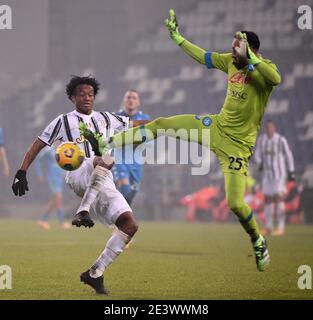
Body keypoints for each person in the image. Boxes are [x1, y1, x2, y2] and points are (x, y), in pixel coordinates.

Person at [81, 9, 282, 272]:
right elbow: (203, 56)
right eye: (233, 49)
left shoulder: (263, 72)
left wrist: (251, 58)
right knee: (163, 124)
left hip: (238, 146)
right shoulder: (231, 62)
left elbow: (276, 79)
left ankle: (257, 240)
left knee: (234, 203)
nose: (232, 53)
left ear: (250, 50)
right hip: (217, 127)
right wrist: (178, 38)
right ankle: (108, 142)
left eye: (237, 49)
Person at [11, 76, 147, 294]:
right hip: (77, 173)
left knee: (130, 225)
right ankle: (82, 210)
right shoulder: (63, 121)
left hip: (104, 180)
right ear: (72, 97)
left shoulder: (106, 119)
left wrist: (165, 124)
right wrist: (21, 171)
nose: (87, 98)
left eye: (90, 94)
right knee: (103, 159)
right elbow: (37, 144)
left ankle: (95, 273)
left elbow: (136, 124)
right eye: (82, 94)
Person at [254, 120, 295, 235]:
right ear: (265, 128)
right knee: (267, 200)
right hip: (267, 175)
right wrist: (259, 163)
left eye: (271, 127)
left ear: (274, 128)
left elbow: (288, 155)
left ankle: (281, 227)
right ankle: (269, 227)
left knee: (278, 198)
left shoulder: (280, 140)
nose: (269, 129)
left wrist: (291, 171)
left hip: (279, 175)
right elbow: (257, 154)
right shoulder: (262, 140)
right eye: (267, 127)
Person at [112, 90, 150, 206]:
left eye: (134, 98)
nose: (131, 100)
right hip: (120, 159)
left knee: (130, 195)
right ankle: (123, 219)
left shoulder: (144, 119)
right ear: (124, 101)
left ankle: (120, 215)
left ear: (138, 102)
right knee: (125, 188)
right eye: (128, 97)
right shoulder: (116, 117)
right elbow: (111, 139)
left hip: (136, 162)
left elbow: (147, 141)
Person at [35, 146, 70, 230]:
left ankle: (42, 220)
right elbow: (38, 160)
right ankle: (62, 223)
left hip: (60, 177)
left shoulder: (64, 149)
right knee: (59, 198)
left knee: (53, 201)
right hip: (53, 177)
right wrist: (39, 174)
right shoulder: (49, 149)